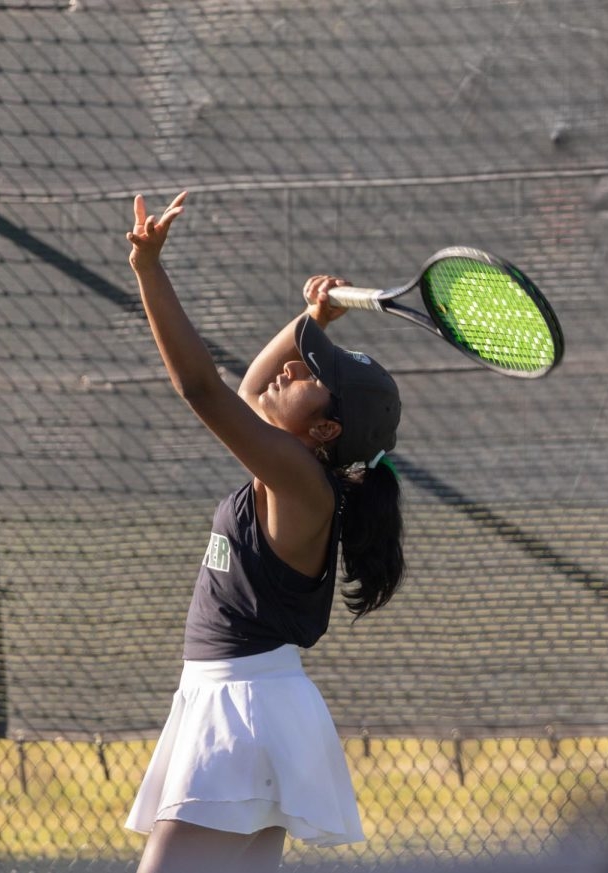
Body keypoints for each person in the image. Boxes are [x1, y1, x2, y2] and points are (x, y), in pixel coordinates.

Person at [121, 191, 406, 873]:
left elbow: (204, 389)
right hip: (243, 707)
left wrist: (149, 270)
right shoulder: (293, 467)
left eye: (310, 374)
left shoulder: (302, 483)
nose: (290, 366)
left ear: (326, 431)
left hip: (241, 715)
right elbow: (250, 390)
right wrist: (312, 320)